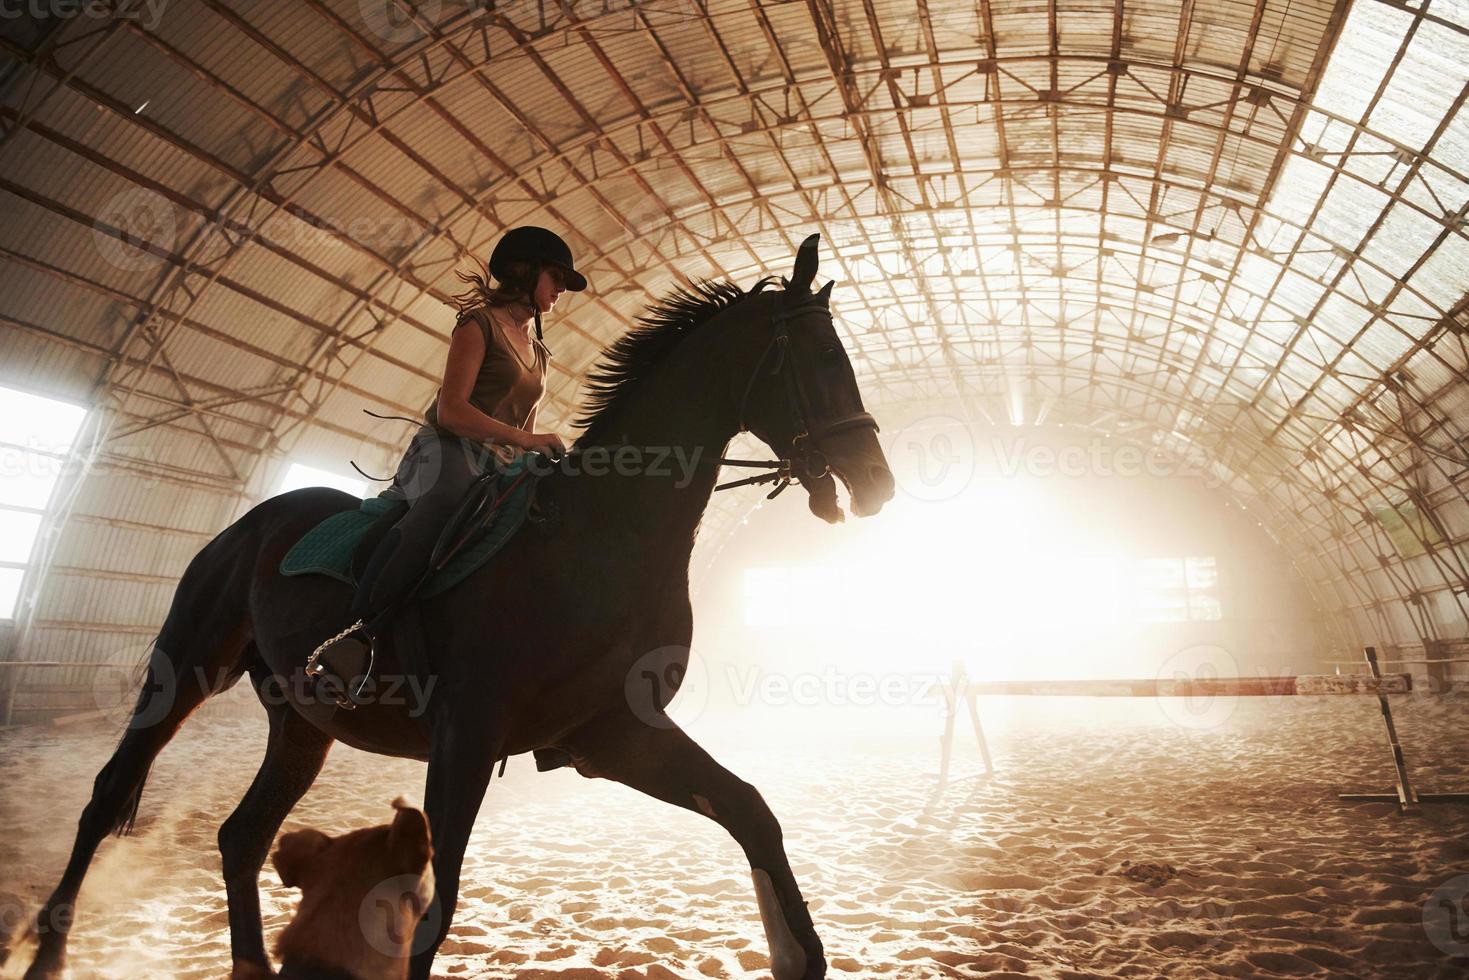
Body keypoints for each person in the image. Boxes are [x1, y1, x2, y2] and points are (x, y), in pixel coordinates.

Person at [309, 226, 586, 682]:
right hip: (445, 452)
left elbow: (526, 428)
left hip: (499, 463)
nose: (560, 289)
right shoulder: (478, 325)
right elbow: (452, 410)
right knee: (442, 504)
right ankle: (358, 635)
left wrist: (536, 457)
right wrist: (526, 442)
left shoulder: (540, 352)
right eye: (556, 277)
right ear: (526, 271)